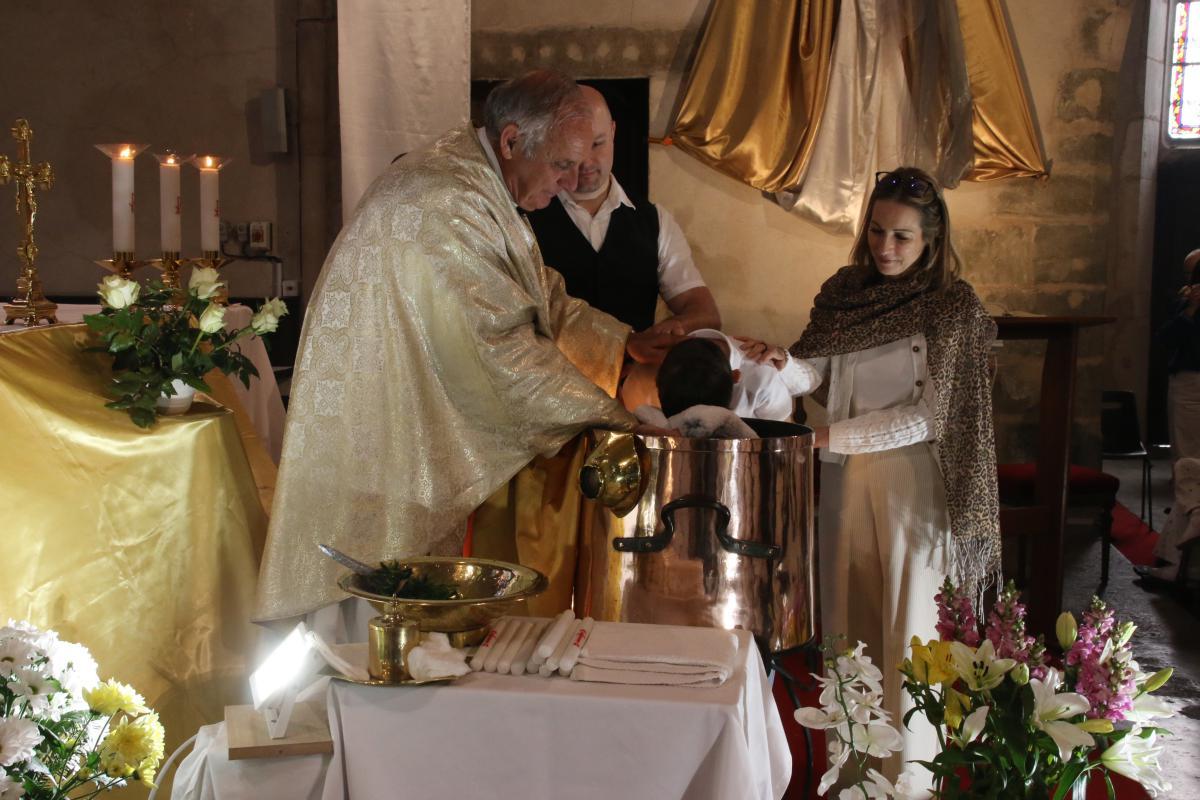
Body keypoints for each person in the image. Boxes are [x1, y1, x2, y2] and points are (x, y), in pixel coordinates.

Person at [254, 70, 674, 624]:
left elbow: (534, 292)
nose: (572, 182)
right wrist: (613, 417)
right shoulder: (447, 200)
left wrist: (623, 343)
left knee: (404, 600)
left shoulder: (474, 179)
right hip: (385, 433)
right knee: (376, 606)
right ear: (512, 140)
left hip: (402, 416)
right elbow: (498, 349)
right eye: (561, 164)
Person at [740, 167, 1000, 794]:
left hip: (915, 487)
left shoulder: (952, 306)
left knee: (907, 637)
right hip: (846, 484)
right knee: (849, 633)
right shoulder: (846, 293)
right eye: (878, 231)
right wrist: (785, 363)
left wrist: (828, 437)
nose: (885, 247)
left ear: (931, 240)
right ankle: (854, 780)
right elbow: (822, 375)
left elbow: (930, 417)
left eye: (902, 237)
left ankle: (909, 784)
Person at [527, 85, 721, 335]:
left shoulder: (655, 221)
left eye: (597, 144)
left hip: (635, 361)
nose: (586, 161)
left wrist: (672, 329)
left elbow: (706, 314)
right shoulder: (526, 217)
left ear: (613, 132)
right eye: (575, 147)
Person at [1157, 248, 1200, 462]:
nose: (1192, 279)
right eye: (1188, 274)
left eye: (1196, 273)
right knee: (1187, 453)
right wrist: (1191, 309)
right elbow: (1166, 338)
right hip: (1189, 381)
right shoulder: (1183, 303)